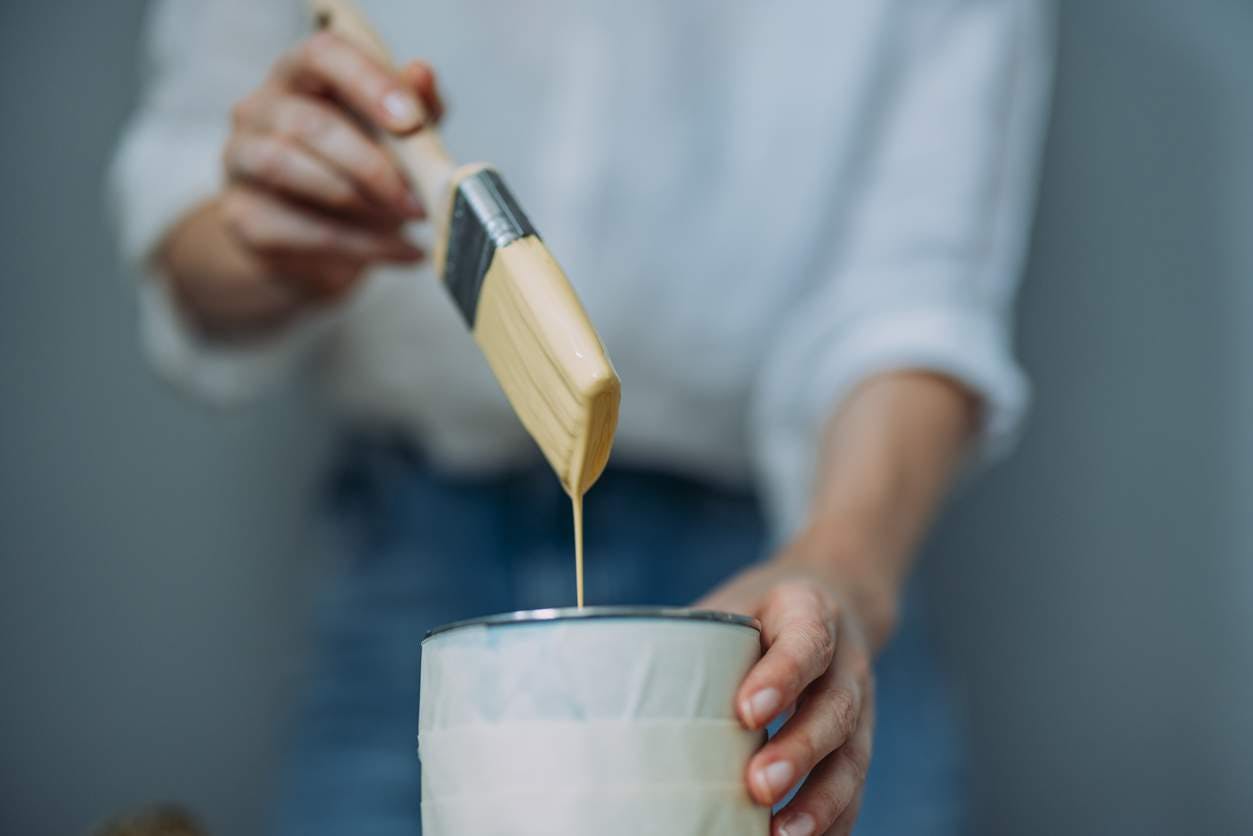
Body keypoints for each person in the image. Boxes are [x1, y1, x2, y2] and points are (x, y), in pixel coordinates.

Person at [110, 1, 1054, 834]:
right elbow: (186, 208)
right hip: (413, 563)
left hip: (776, 578)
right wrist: (267, 233)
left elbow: (917, 297)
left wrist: (842, 564)